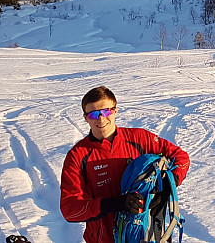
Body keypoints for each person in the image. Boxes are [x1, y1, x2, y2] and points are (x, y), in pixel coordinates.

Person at [60, 86, 190, 243]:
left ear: (115, 111)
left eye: (106, 111)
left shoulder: (140, 138)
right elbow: (70, 209)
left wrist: (168, 186)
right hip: (103, 238)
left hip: (145, 234)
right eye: (94, 114)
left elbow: (180, 157)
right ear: (86, 117)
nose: (101, 119)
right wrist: (111, 204)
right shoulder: (77, 156)